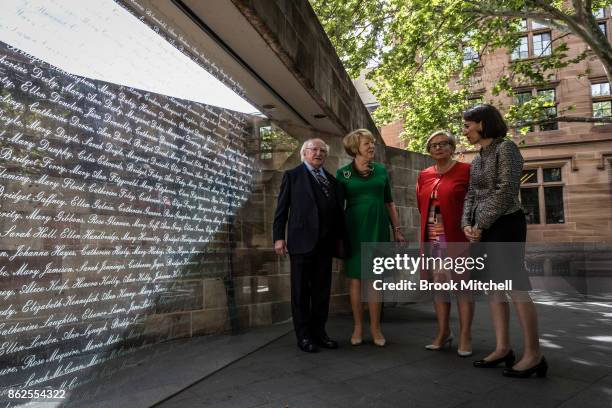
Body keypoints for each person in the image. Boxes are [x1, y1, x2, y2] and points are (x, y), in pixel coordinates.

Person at [461, 104, 547, 378]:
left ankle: (534, 356)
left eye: (467, 125)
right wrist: (467, 224)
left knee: (516, 288)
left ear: (483, 124)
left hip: (507, 224)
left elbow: (507, 189)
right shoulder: (477, 159)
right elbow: (472, 194)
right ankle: (503, 348)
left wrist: (480, 224)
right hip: (482, 228)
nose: (465, 131)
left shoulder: (506, 148)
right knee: (493, 289)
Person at [273, 138, 343, 353]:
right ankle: (303, 336)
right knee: (301, 292)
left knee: (322, 292)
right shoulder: (292, 176)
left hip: (325, 245)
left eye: (323, 150)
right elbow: (282, 210)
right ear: (304, 153)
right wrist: (278, 237)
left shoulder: (332, 181)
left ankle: (319, 333)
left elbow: (337, 214)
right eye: (314, 149)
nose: (318, 153)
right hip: (301, 243)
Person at [336, 129, 404, 347]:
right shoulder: (343, 173)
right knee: (356, 280)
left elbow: (389, 203)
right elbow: (337, 207)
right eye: (367, 143)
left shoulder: (382, 170)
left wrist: (397, 229)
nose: (372, 146)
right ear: (355, 147)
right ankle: (357, 327)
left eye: (372, 143)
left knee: (375, 280)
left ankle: (376, 329)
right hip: (353, 229)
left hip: (378, 229)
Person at [416, 130, 474, 357]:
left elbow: (474, 202)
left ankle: (465, 336)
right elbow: (420, 205)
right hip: (433, 239)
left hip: (458, 238)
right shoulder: (424, 175)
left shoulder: (466, 171)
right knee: (439, 288)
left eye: (443, 144)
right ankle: (443, 333)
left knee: (462, 288)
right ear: (429, 151)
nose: (438, 148)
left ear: (452, 147)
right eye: (433, 145)